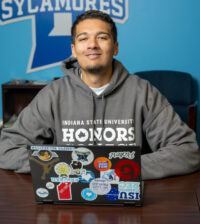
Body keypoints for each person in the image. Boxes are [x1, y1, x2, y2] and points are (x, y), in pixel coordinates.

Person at [0, 10, 199, 180]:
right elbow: (6, 149)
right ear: (74, 50)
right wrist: (66, 168)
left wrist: (118, 168)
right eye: (83, 38)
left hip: (128, 204)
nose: (92, 44)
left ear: (115, 47)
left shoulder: (143, 92)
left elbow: (187, 151)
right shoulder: (53, 94)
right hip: (67, 206)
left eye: (102, 37)